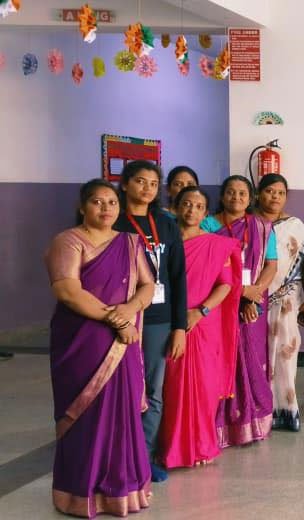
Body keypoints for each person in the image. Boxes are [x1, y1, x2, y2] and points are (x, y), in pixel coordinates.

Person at [46, 179, 156, 517]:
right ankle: (80, 492)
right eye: (97, 202)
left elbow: (148, 285)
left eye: (111, 202)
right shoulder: (68, 241)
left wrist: (130, 309)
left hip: (122, 342)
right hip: (82, 340)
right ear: (83, 207)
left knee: (122, 415)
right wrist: (117, 319)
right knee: (85, 415)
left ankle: (121, 489)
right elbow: (67, 291)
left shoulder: (130, 243)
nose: (106, 208)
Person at [113, 160, 188, 483]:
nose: (147, 188)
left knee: (153, 390)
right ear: (126, 184)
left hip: (159, 318)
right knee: (120, 389)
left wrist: (180, 326)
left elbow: (177, 276)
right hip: (120, 316)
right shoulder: (113, 220)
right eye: (140, 181)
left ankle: (143, 458)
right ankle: (116, 458)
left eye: (153, 183)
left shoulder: (166, 223)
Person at [157, 186, 242, 469]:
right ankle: (168, 447)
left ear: (205, 213)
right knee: (170, 384)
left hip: (204, 323)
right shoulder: (163, 241)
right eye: (186, 204)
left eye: (198, 206)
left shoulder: (216, 245)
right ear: (176, 207)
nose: (191, 210)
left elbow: (226, 285)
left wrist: (201, 311)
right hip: (169, 320)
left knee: (204, 385)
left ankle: (202, 445)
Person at [202, 175, 278, 446]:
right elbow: (205, 265)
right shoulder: (207, 224)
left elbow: (271, 265)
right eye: (231, 193)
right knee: (220, 359)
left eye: (242, 193)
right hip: (217, 301)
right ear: (222, 196)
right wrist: (239, 292)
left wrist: (254, 294)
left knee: (251, 357)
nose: (236, 198)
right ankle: (217, 425)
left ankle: (251, 421)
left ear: (250, 198)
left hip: (253, 303)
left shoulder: (263, 228)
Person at [254, 174, 304, 432]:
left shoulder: (296, 226)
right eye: (269, 191)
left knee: (286, 352)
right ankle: (259, 411)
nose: (274, 197)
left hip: (288, 298)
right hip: (253, 298)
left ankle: (286, 410)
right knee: (257, 354)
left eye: (280, 192)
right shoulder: (250, 222)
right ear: (258, 193)